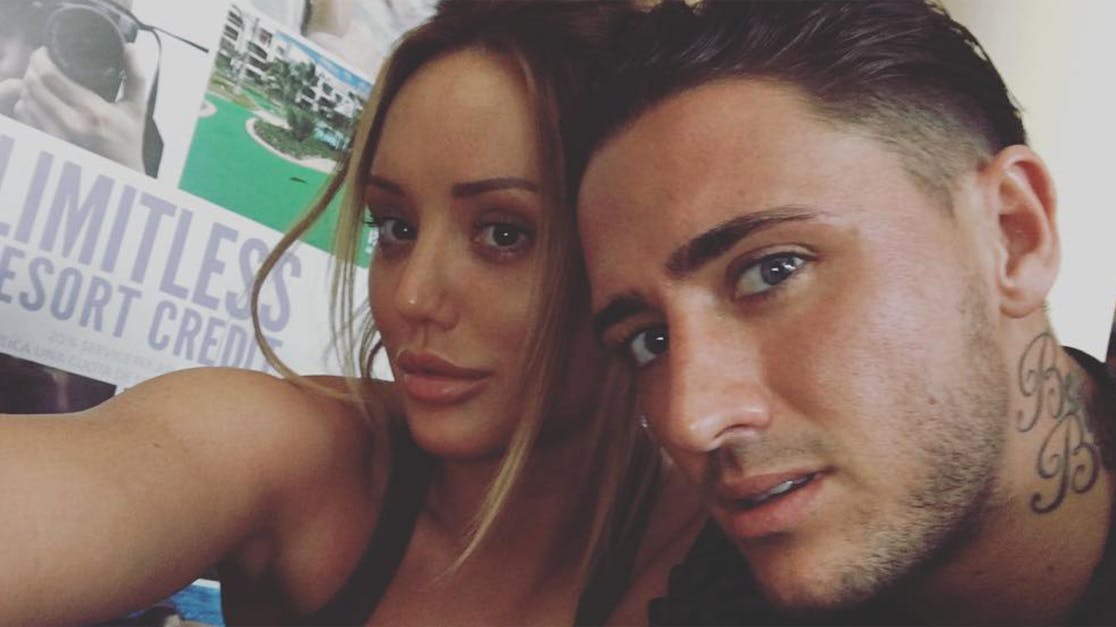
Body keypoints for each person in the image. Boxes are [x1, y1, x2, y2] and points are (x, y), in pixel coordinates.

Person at [0, 1, 702, 624]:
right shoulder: (305, 456)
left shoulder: (717, 550)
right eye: (395, 227)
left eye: (503, 233)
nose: (411, 297)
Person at [574, 0, 1116, 624]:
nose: (691, 419)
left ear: (1012, 235)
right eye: (649, 341)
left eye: (774, 271)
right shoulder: (726, 580)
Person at [0, 0, 161, 175]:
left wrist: (122, 176)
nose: (40, 63)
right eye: (4, 27)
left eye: (77, 40)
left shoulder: (137, 148)